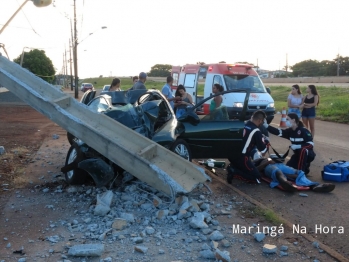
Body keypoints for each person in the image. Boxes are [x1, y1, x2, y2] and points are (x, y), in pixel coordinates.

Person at [227, 110, 269, 184]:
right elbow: (263, 150)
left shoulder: (242, 124)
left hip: (231, 155)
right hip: (242, 158)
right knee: (257, 178)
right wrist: (266, 142)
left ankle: (233, 167)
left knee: (247, 165)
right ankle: (235, 172)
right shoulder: (256, 131)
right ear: (260, 121)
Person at [254, 157, 335, 193]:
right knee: (277, 171)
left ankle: (314, 186)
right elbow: (254, 171)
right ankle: (285, 182)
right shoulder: (256, 161)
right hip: (268, 167)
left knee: (299, 172)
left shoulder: (264, 156)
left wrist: (276, 159)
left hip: (280, 165)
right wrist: (267, 162)